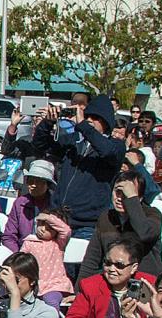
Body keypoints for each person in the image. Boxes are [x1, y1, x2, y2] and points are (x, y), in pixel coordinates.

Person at [29, 96, 126, 235]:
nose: (90, 120)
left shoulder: (116, 145)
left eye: (95, 118)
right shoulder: (73, 141)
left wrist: (83, 125)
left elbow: (107, 152)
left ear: (106, 122)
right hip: (58, 217)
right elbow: (40, 146)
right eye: (87, 116)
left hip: (88, 225)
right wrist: (47, 122)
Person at [1, 159, 56, 252]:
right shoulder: (20, 203)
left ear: (47, 184)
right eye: (30, 181)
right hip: (21, 253)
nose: (33, 185)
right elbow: (9, 236)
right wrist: (18, 255)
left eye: (38, 181)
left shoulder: (55, 205)